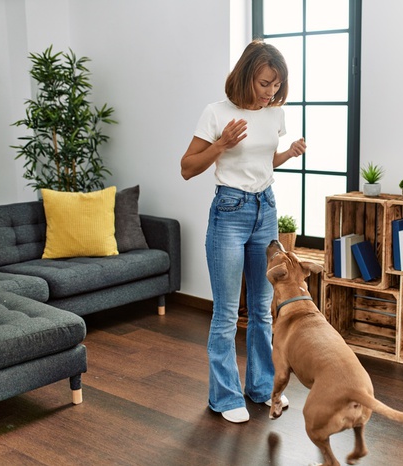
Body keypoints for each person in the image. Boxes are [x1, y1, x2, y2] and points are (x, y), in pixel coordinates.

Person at [180, 40, 306, 423]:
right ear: (247, 75)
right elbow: (187, 167)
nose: (271, 92)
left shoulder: (275, 114)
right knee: (226, 314)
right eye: (265, 83)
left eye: (277, 85)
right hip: (229, 212)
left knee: (263, 313)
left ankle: (261, 389)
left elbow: (263, 161)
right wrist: (222, 144)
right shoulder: (217, 113)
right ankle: (224, 397)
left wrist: (288, 154)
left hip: (265, 209)